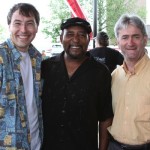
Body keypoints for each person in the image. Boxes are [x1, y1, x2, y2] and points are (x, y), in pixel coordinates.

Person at [41, 17, 113, 150]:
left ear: (88, 40)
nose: (76, 39)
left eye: (81, 35)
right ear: (61, 38)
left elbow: (105, 117)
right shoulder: (46, 67)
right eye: (70, 34)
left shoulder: (100, 72)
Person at [0, 3, 43, 150]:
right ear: (9, 26)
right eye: (17, 23)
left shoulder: (37, 58)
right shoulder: (1, 57)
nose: (23, 30)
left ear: (37, 27)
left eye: (29, 24)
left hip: (35, 143)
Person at [108, 14, 150, 150]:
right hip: (114, 145)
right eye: (125, 37)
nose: (130, 43)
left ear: (145, 39)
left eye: (136, 37)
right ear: (118, 42)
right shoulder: (114, 76)